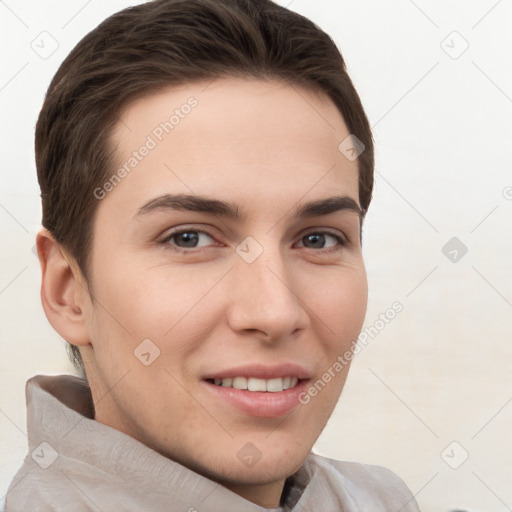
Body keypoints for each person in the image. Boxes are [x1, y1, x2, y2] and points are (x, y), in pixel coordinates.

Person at [5, 0, 420, 510]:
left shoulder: (382, 499)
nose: (275, 312)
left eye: (318, 239)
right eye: (189, 239)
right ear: (67, 291)